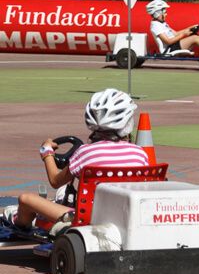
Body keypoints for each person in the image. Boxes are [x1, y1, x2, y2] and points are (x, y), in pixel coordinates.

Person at [2, 89, 150, 232]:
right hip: (129, 215)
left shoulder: (85, 152)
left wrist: (47, 153)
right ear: (128, 123)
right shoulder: (139, 153)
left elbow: (55, 180)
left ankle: (20, 222)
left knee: (26, 199)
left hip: (88, 217)